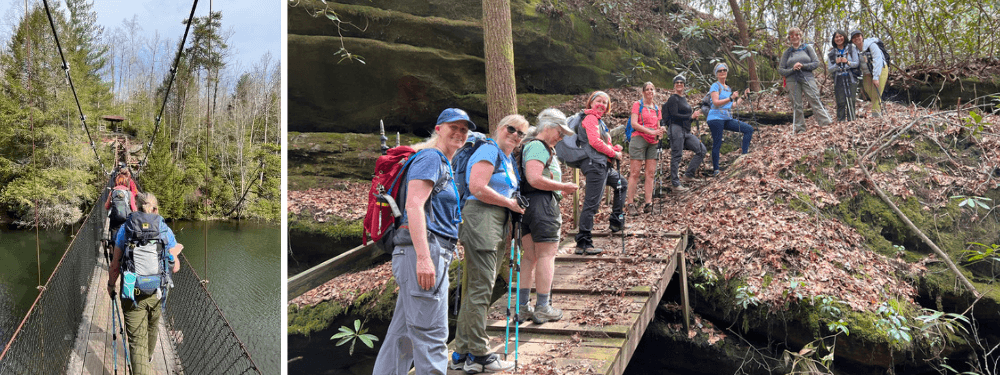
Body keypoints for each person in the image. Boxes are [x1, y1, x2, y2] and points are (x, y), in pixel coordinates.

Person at [372, 108, 470, 375]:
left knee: (402, 337)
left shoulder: (440, 162)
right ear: (438, 129)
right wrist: (425, 258)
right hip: (424, 252)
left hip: (424, 252)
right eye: (454, 127)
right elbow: (414, 206)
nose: (459, 133)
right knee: (432, 336)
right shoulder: (431, 158)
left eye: (464, 129)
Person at [451, 114, 527, 373]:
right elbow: (476, 186)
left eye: (521, 133)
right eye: (512, 129)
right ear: (499, 128)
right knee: (481, 289)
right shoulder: (488, 150)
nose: (516, 135)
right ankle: (480, 354)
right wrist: (509, 203)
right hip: (481, 219)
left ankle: (462, 352)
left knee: (477, 287)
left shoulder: (506, 158)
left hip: (494, 221)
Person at [107, 192, 183, 375]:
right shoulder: (164, 229)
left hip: (132, 292)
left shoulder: (126, 229)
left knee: (135, 341)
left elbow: (115, 265)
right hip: (157, 292)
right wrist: (175, 252)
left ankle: (142, 366)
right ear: (156, 209)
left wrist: (111, 286)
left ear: (135, 208)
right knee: (152, 327)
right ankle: (147, 359)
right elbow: (175, 268)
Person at [518, 108, 578, 324]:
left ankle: (523, 306)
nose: (561, 137)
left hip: (527, 204)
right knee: (546, 254)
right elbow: (534, 178)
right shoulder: (538, 146)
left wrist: (557, 190)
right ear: (548, 127)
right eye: (559, 132)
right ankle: (543, 307)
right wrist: (563, 186)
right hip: (541, 204)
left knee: (530, 256)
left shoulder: (530, 146)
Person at [574, 91, 627, 255]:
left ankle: (616, 220)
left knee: (621, 184)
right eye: (599, 101)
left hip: (602, 165)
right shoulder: (589, 118)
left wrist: (613, 149)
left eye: (605, 102)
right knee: (592, 203)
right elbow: (595, 142)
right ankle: (583, 242)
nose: (602, 104)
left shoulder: (598, 121)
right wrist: (614, 154)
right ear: (590, 103)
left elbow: (600, 142)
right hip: (595, 165)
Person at [778, 27, 833, 133]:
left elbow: (816, 63)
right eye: (792, 35)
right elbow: (781, 70)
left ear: (800, 36)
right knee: (796, 104)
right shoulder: (787, 52)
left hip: (807, 77)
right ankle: (799, 129)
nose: (795, 37)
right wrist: (792, 69)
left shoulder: (807, 48)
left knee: (814, 98)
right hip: (792, 80)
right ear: (789, 38)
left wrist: (803, 65)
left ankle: (825, 123)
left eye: (797, 34)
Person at [706, 63, 754, 176]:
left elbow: (733, 105)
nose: (722, 72)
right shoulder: (715, 86)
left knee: (748, 129)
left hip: (726, 118)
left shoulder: (728, 88)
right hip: (715, 118)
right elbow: (716, 103)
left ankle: (743, 157)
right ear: (716, 74)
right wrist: (730, 98)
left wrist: (743, 96)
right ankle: (716, 169)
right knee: (717, 142)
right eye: (720, 71)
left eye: (724, 70)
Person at [626, 82, 664, 213]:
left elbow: (658, 125)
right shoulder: (638, 105)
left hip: (653, 142)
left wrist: (660, 130)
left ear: (655, 92)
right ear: (643, 92)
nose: (649, 91)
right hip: (639, 139)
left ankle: (648, 203)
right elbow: (634, 124)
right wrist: (651, 131)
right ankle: (630, 204)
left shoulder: (656, 108)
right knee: (635, 173)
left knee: (650, 173)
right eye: (647, 89)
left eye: (652, 89)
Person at [664, 75, 706, 191]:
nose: (679, 84)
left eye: (681, 82)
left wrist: (693, 118)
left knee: (701, 149)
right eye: (677, 82)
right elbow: (674, 115)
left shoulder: (683, 99)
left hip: (686, 131)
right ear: (674, 85)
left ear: (684, 85)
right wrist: (690, 116)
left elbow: (686, 118)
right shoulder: (673, 99)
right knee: (676, 155)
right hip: (675, 129)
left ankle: (688, 175)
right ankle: (675, 184)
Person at [851, 29, 888, 118]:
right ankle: (878, 109)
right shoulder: (855, 50)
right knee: (868, 90)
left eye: (858, 36)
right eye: (854, 38)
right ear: (852, 40)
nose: (857, 39)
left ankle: (876, 117)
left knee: (876, 94)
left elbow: (878, 60)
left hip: (880, 70)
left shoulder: (871, 45)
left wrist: (876, 77)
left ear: (862, 37)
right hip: (867, 74)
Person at [827, 29, 860, 121]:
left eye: (840, 36)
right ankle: (840, 122)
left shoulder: (851, 48)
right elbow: (830, 69)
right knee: (840, 102)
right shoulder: (831, 53)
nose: (839, 38)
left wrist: (847, 62)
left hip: (851, 77)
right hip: (839, 78)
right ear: (834, 39)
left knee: (851, 100)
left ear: (844, 37)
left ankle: (852, 121)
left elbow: (856, 63)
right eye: (836, 37)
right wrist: (836, 64)